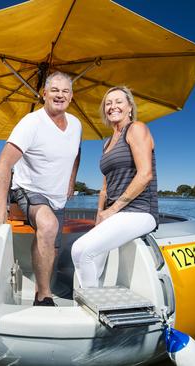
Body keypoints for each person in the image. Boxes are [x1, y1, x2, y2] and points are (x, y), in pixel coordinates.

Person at [0, 71, 81, 306]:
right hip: (28, 189)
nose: (60, 95)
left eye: (65, 91)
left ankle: (41, 287)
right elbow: (3, 163)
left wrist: (71, 181)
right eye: (54, 90)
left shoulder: (76, 124)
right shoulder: (31, 123)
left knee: (53, 246)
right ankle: (43, 296)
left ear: (71, 96)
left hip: (58, 198)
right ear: (44, 93)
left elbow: (76, 154)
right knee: (48, 224)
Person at [71, 86, 158, 288]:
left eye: (118, 101)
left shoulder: (137, 128)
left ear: (129, 107)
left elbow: (145, 175)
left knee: (80, 251)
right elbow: (105, 187)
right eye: (108, 103)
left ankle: (93, 305)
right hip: (113, 213)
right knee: (92, 263)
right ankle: (93, 302)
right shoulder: (107, 143)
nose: (113, 106)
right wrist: (100, 214)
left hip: (140, 212)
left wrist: (112, 210)